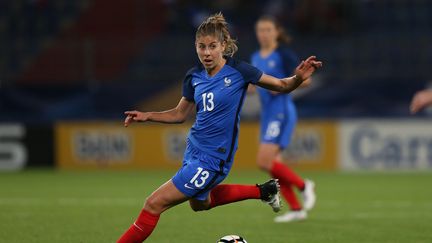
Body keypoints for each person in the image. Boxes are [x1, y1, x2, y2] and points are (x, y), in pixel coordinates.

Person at [117, 13, 322, 242]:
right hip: (193, 152)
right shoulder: (193, 76)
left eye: (212, 46)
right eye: (201, 46)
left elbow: (282, 85)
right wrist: (147, 116)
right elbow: (179, 114)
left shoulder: (240, 71)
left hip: (214, 159)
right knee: (200, 204)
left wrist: (297, 78)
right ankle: (263, 191)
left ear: (223, 45)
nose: (206, 52)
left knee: (154, 204)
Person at [249, 15, 316, 223]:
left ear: (276, 32)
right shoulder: (255, 57)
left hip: (281, 111)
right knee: (273, 165)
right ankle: (297, 209)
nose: (264, 34)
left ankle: (304, 185)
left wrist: (282, 87)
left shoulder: (283, 54)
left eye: (268, 30)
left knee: (263, 161)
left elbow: (306, 80)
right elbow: (256, 84)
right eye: (260, 30)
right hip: (267, 114)